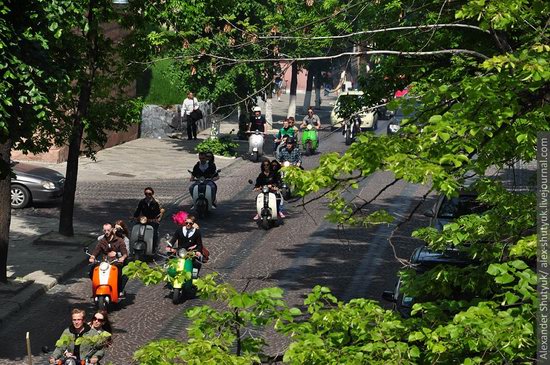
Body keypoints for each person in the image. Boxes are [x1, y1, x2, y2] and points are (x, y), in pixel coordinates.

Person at [89, 223, 128, 296]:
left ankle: (119, 290)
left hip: (116, 262)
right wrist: (92, 257)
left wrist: (122, 258)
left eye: (108, 230)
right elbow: (96, 250)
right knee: (91, 271)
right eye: (105, 230)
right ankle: (97, 287)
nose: (106, 232)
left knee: (119, 274)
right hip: (105, 262)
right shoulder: (102, 241)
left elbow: (125, 252)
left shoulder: (119, 240)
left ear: (112, 230)